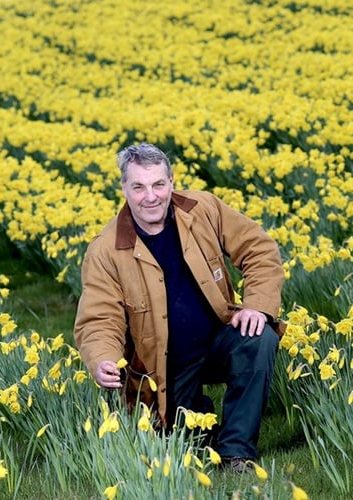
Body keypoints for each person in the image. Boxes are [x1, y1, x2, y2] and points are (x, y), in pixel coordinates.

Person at [74, 142, 285, 472]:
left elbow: (259, 248)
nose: (151, 196)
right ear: (124, 189)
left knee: (260, 339)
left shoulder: (202, 208)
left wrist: (257, 305)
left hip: (218, 340)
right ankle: (205, 426)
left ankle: (236, 452)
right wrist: (102, 358)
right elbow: (100, 317)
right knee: (183, 447)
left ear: (171, 181)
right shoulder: (105, 251)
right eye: (139, 187)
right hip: (165, 368)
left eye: (158, 184)